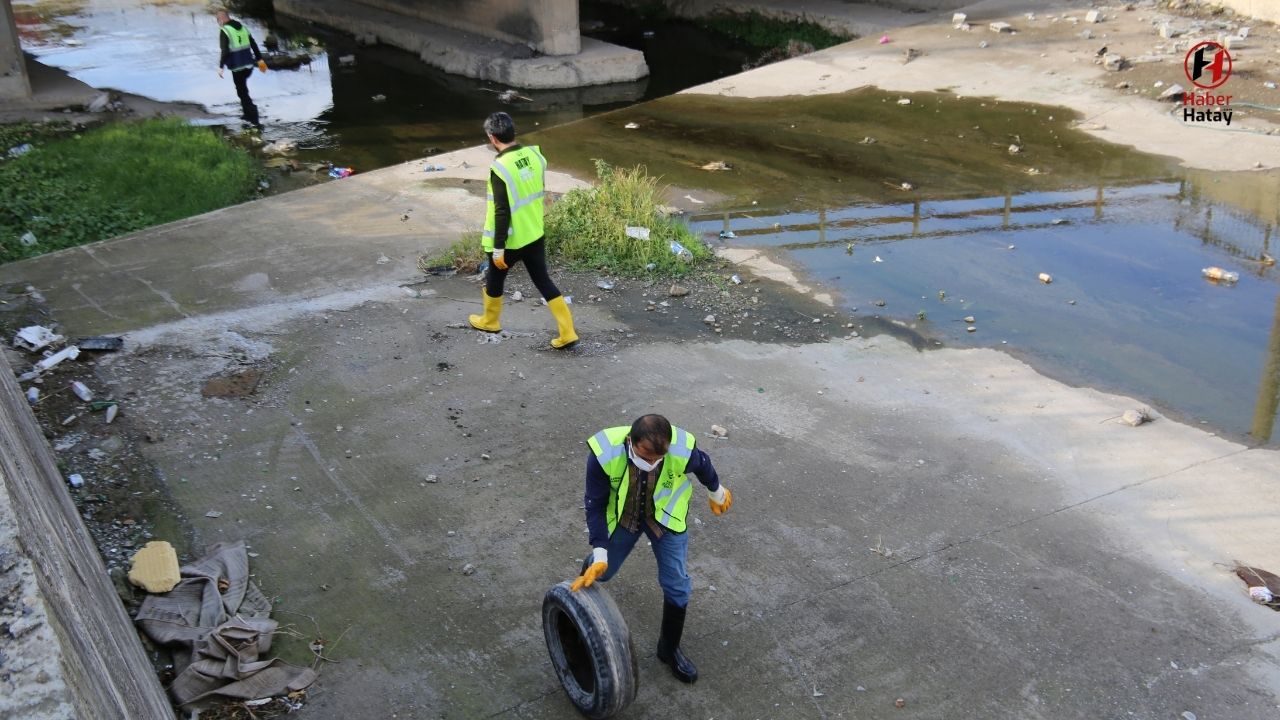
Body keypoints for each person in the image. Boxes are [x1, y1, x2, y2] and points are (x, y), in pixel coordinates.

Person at [570, 414, 734, 684]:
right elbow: (595, 505)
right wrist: (600, 552)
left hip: (664, 517)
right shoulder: (604, 453)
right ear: (630, 442)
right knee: (602, 573)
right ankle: (579, 611)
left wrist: (716, 492)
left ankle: (668, 649)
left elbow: (703, 465)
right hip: (626, 517)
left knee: (677, 585)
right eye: (645, 455)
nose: (651, 463)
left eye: (658, 457)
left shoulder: (680, 449)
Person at [467, 112, 578, 349]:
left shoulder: (500, 167)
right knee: (543, 281)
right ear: (512, 132)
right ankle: (567, 332)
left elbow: (501, 211)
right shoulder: (535, 155)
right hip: (534, 233)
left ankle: (490, 320)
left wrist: (498, 248)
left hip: (509, 240)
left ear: (492, 138)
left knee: (495, 280)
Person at [216, 10, 266, 128]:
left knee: (242, 92)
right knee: (243, 89)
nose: (218, 23)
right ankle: (246, 115)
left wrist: (221, 66)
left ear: (221, 19)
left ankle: (254, 117)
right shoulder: (243, 27)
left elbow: (225, 51)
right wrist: (260, 60)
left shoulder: (224, 30)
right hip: (249, 65)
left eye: (217, 20)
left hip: (237, 66)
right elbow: (253, 43)